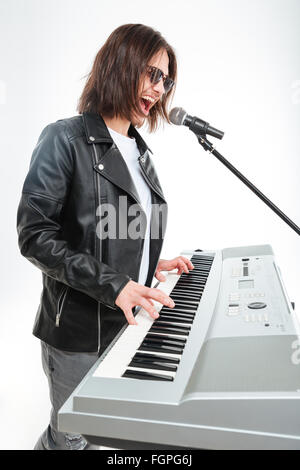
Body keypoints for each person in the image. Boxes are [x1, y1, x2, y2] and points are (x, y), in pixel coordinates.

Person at [17, 23, 194, 450]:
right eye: (151, 73)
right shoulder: (64, 139)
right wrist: (116, 283)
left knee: (107, 435)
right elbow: (35, 236)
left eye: (165, 79)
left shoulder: (140, 152)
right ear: (119, 65)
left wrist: (151, 264)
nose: (158, 89)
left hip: (128, 329)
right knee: (71, 439)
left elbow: (113, 226)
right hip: (78, 336)